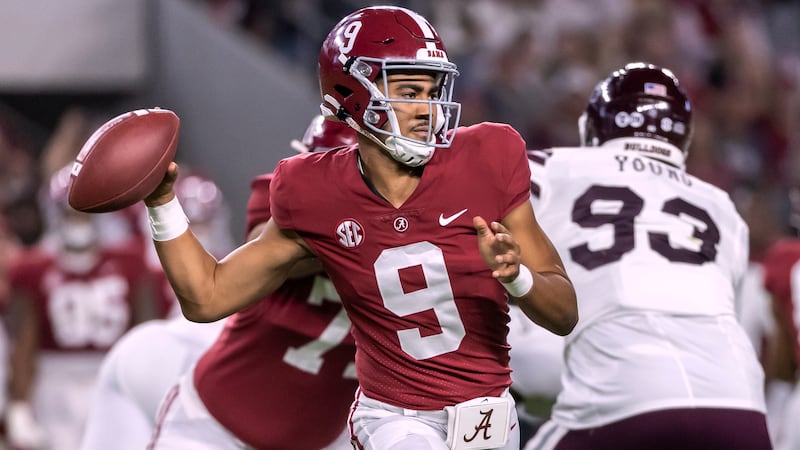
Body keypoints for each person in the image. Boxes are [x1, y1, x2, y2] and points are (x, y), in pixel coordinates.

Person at [141, 6, 577, 450]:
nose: (427, 109)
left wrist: (518, 276)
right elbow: (207, 296)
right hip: (395, 417)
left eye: (432, 90)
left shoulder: (489, 155)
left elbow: (564, 314)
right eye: (409, 91)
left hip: (487, 416)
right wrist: (161, 203)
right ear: (353, 94)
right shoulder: (312, 189)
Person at [522, 62, 770, 450]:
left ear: (596, 126)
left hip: (624, 390)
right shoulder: (722, 206)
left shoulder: (553, 168)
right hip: (739, 401)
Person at [79, 171, 235, 450]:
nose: (200, 229)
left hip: (211, 370)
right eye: (192, 221)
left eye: (205, 221)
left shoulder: (234, 263)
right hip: (160, 364)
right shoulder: (140, 264)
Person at [5, 166, 156, 450]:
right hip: (55, 381)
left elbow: (147, 335)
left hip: (113, 376)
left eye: (84, 211)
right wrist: (19, 403)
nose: (77, 220)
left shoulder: (130, 262)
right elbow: (24, 342)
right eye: (69, 212)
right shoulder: (32, 269)